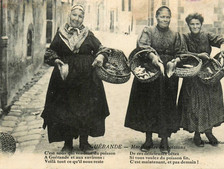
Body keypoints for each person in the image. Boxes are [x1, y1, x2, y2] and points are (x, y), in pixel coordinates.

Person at [41, 4, 110, 152]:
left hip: (87, 79)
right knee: (66, 110)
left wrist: (100, 56)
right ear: (69, 15)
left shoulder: (88, 34)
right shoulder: (60, 34)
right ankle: (67, 144)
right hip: (65, 79)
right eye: (74, 15)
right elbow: (50, 52)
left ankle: (84, 143)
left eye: (80, 16)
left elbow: (102, 49)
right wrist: (56, 60)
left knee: (86, 109)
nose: (77, 19)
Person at [124, 6, 186, 153]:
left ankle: (164, 140)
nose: (165, 19)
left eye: (167, 17)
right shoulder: (148, 31)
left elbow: (181, 52)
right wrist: (153, 58)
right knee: (148, 105)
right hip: (150, 71)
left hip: (168, 75)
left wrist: (175, 61)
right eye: (162, 17)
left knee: (166, 105)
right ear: (157, 18)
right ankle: (148, 139)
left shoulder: (176, 34)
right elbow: (142, 47)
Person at [178, 13, 224, 147]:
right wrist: (198, 55)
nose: (195, 26)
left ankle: (209, 132)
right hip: (192, 74)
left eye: (197, 24)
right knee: (194, 104)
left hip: (209, 74)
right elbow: (181, 53)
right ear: (188, 25)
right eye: (192, 24)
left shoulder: (207, 35)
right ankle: (197, 134)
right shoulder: (184, 37)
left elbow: (223, 41)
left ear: (201, 25)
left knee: (210, 103)